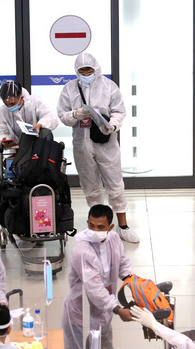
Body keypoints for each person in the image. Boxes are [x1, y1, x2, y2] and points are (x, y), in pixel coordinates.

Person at [62, 204, 134, 349]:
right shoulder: (82, 251)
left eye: (100, 226)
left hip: (102, 313)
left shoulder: (113, 239)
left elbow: (121, 262)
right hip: (80, 314)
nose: (95, 229)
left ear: (110, 227)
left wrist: (132, 280)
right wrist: (117, 308)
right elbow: (93, 289)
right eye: (91, 225)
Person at [57, 52, 139, 244]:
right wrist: (76, 114)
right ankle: (97, 227)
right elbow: (62, 115)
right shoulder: (69, 89)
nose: (86, 73)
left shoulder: (109, 87)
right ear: (76, 71)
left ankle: (123, 226)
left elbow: (119, 111)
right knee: (91, 186)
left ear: (96, 69)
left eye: (89, 70)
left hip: (106, 142)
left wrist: (113, 124)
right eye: (82, 71)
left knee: (115, 184)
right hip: (82, 144)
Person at [0, 80, 59, 149]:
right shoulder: (3, 111)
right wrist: (3, 140)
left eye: (12, 104)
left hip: (38, 148)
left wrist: (40, 124)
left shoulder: (34, 102)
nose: (10, 107)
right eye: (6, 104)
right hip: (16, 149)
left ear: (21, 97)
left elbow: (50, 117)